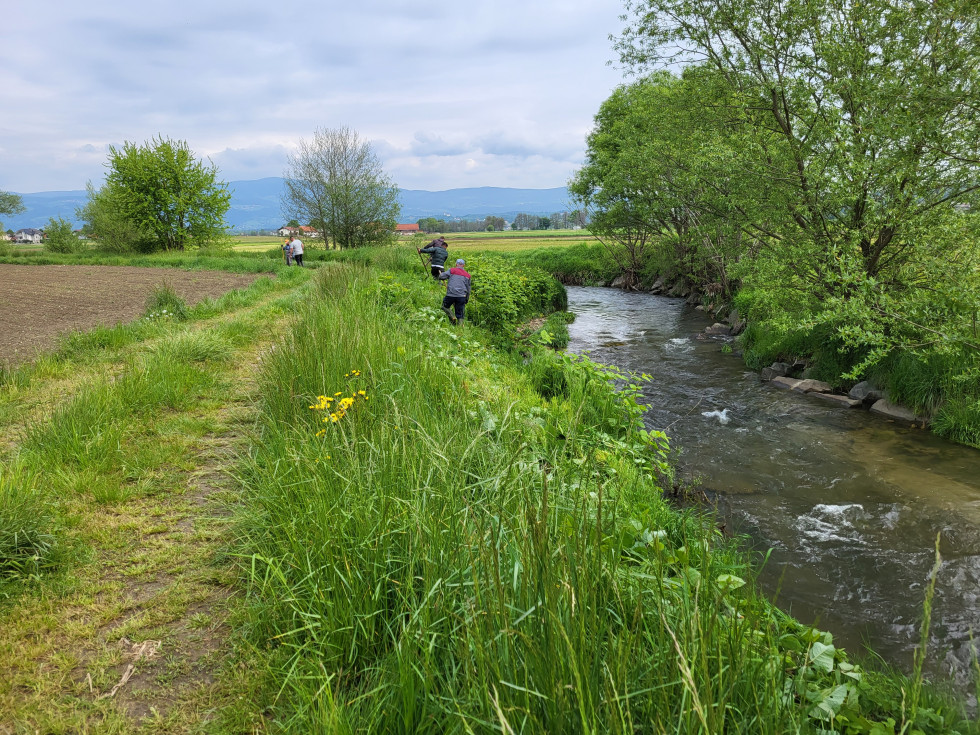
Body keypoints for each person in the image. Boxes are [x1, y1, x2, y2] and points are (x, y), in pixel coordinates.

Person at [438, 258, 471, 324]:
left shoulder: (452, 270)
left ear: (456, 264)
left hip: (451, 294)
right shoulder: (468, 275)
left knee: (444, 306)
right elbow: (468, 289)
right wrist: (466, 299)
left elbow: (441, 277)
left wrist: (442, 275)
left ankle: (452, 317)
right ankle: (460, 327)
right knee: (460, 313)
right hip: (462, 296)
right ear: (464, 265)